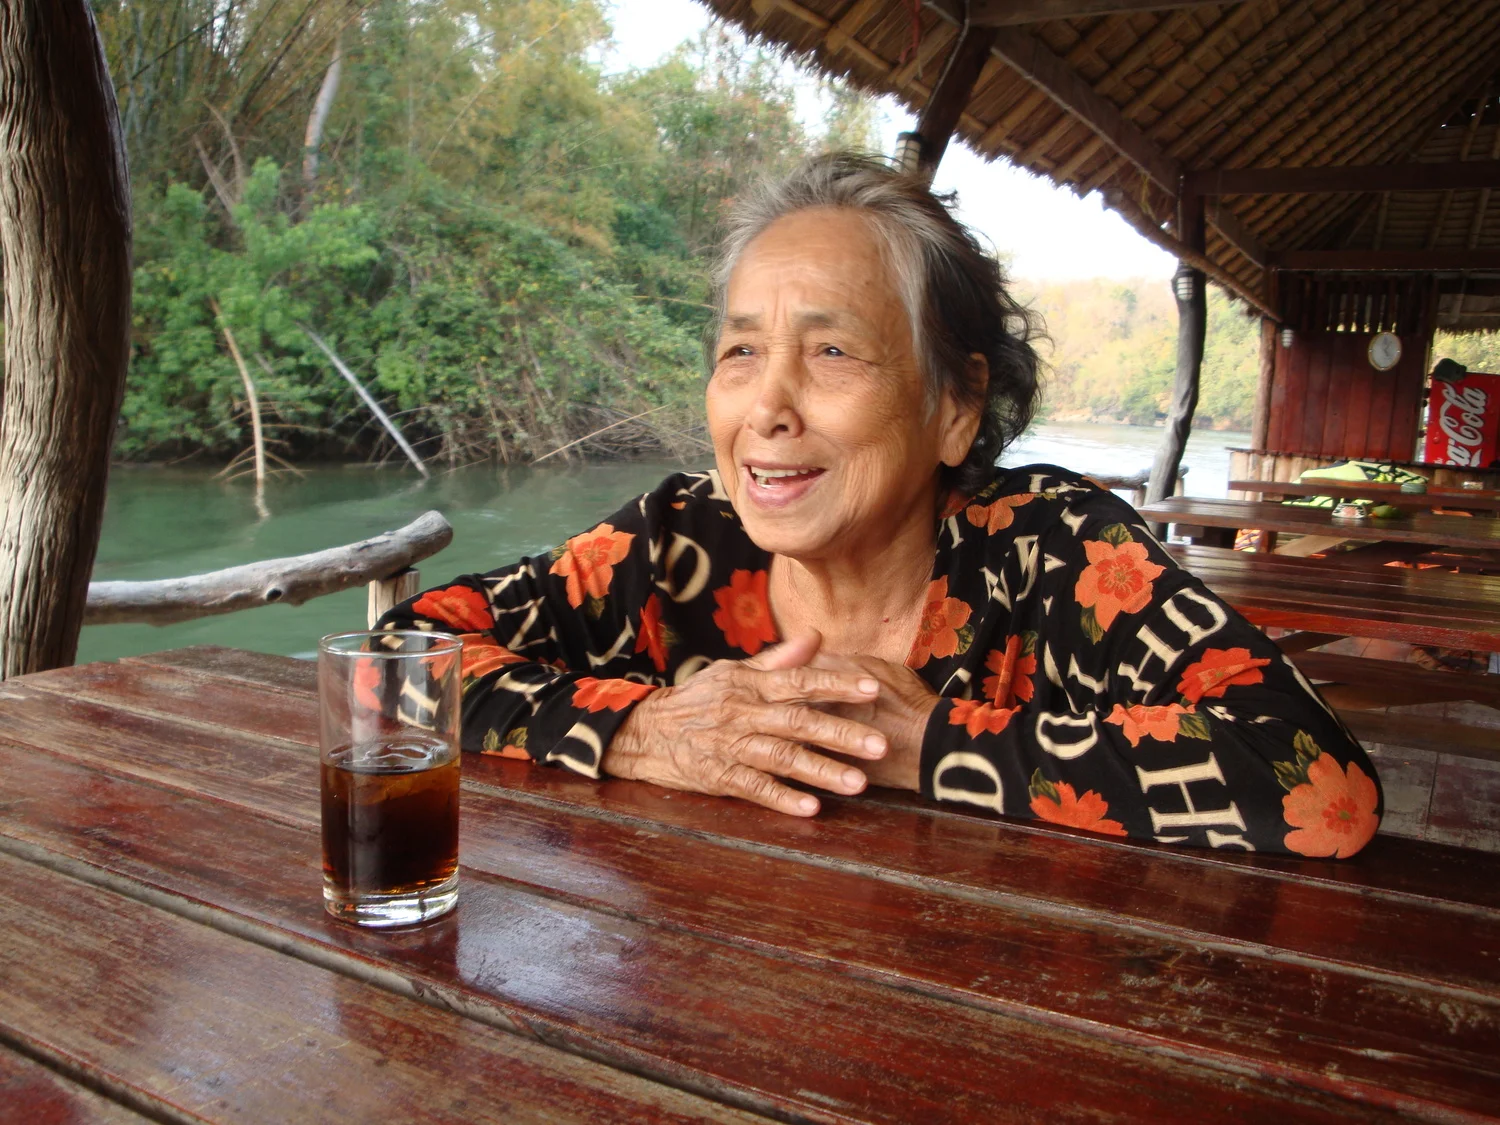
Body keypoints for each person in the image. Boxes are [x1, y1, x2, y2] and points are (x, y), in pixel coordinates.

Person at [377, 152, 1381, 858]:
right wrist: (647, 732)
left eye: (831, 351)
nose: (767, 406)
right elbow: (393, 660)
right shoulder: (679, 539)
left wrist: (930, 742)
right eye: (739, 352)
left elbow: (1316, 787)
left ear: (955, 407)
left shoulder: (1055, 553)